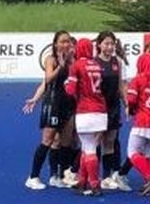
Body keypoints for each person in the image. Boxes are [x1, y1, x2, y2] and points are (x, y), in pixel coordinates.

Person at [22, 30, 75, 190]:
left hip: (68, 103)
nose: (66, 44)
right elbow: (48, 80)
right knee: (48, 140)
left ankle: (59, 176)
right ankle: (33, 176)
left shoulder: (73, 61)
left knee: (65, 141)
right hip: (53, 103)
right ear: (56, 44)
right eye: (62, 41)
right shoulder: (50, 60)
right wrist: (35, 99)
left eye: (68, 42)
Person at [64, 38, 107, 195]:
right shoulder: (96, 64)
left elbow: (70, 90)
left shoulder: (76, 66)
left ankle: (94, 184)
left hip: (85, 111)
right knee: (87, 147)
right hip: (101, 111)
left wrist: (66, 84)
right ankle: (82, 181)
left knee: (89, 149)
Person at [121, 45, 150, 194]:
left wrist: (131, 108)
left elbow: (132, 100)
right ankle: (149, 184)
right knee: (149, 154)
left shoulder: (138, 80)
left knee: (132, 152)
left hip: (143, 120)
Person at [96, 32, 130, 192]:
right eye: (106, 44)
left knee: (110, 142)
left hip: (113, 107)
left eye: (112, 44)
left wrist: (127, 104)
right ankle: (86, 174)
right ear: (99, 45)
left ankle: (106, 176)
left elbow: (122, 86)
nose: (109, 47)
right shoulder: (93, 63)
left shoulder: (119, 62)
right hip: (97, 108)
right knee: (95, 142)